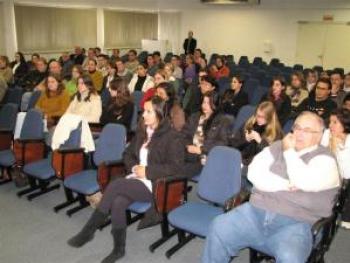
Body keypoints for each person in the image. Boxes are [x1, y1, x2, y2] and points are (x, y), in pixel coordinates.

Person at [202, 111, 340, 263]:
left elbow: (302, 179)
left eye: (306, 130)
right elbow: (253, 173)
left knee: (290, 257)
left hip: (296, 223)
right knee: (219, 226)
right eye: (297, 128)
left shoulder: (327, 161)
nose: (299, 134)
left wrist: (289, 151)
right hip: (255, 213)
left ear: (319, 135)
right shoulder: (276, 147)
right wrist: (287, 184)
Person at [67, 96, 185, 263]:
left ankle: (89, 230)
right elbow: (127, 154)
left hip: (157, 184)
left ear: (160, 113)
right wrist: (134, 168)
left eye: (149, 111)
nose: (144, 115)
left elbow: (176, 168)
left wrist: (148, 171)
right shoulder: (143, 130)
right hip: (136, 178)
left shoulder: (172, 137)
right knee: (118, 202)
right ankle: (118, 249)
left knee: (115, 185)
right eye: (144, 110)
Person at [182, 91, 229, 178]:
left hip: (204, 157)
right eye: (204, 102)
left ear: (215, 104)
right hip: (189, 152)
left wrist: (201, 149)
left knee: (180, 170)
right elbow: (184, 134)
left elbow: (223, 142)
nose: (204, 105)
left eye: (208, 103)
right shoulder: (195, 117)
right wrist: (188, 146)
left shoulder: (222, 121)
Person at [321, 109, 350, 229]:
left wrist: (336, 151)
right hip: (325, 173)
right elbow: (320, 160)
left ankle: (346, 217)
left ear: (345, 124)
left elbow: (347, 173)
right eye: (330, 122)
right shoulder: (327, 134)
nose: (330, 125)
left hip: (343, 178)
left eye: (335, 122)